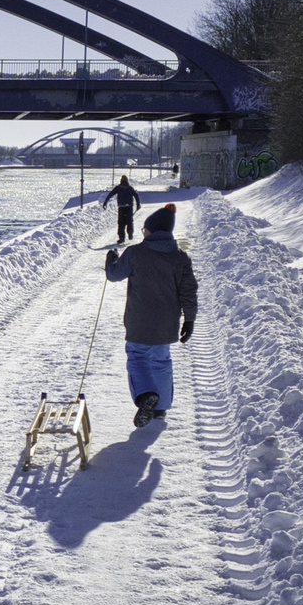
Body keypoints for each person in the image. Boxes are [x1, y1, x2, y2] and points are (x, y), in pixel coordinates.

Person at [105, 203, 198, 427]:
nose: (143, 233)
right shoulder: (180, 258)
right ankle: (160, 408)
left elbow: (115, 275)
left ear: (152, 230)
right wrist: (190, 319)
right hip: (166, 325)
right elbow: (188, 291)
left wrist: (110, 261)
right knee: (161, 361)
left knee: (137, 358)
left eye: (145, 229)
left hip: (139, 322)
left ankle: (146, 395)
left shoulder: (135, 253)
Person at [101, 174, 142, 244]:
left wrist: (105, 202)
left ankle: (121, 238)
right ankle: (130, 234)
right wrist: (138, 204)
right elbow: (136, 195)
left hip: (121, 207)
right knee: (130, 221)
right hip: (129, 207)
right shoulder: (130, 188)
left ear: (121, 180)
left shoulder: (118, 188)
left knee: (121, 223)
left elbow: (110, 194)